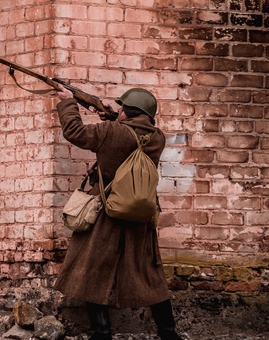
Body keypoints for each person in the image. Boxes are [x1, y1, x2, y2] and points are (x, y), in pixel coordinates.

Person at [54, 85, 183, 340]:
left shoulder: (110, 132)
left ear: (128, 110)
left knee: (93, 270)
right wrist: (114, 116)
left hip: (106, 212)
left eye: (123, 108)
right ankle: (169, 334)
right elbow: (134, 133)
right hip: (140, 215)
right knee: (149, 274)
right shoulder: (157, 137)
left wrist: (68, 102)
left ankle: (102, 333)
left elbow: (74, 131)